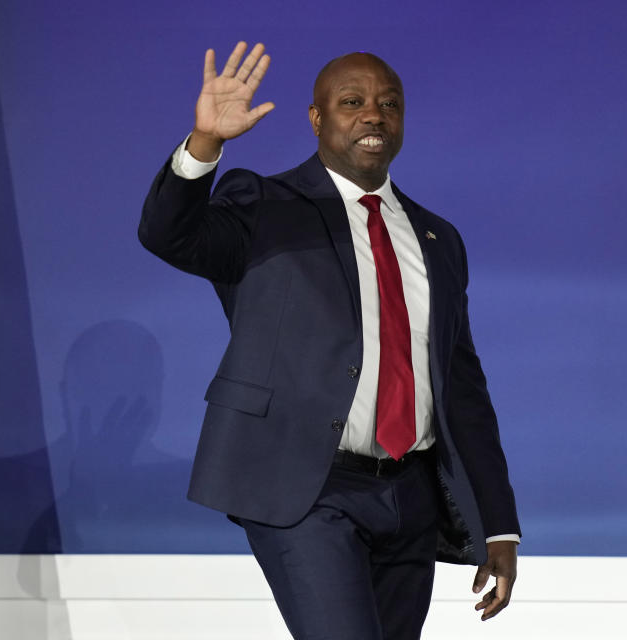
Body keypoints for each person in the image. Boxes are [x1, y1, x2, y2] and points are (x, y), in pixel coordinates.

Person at [139, 42, 520, 639]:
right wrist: (205, 144)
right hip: (307, 488)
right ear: (317, 118)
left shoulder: (437, 238)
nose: (374, 115)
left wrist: (498, 523)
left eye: (389, 104)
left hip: (411, 496)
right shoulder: (263, 206)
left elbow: (463, 388)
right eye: (352, 102)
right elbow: (170, 235)